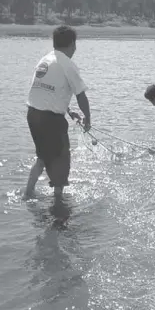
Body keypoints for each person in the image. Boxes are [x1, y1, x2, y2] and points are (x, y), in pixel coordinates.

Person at [25, 25, 91, 198]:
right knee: (61, 160)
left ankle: (28, 192)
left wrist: (68, 111)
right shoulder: (68, 64)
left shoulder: (45, 60)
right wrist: (88, 120)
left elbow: (48, 92)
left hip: (33, 115)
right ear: (72, 45)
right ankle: (58, 202)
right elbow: (81, 96)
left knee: (43, 157)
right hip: (51, 120)